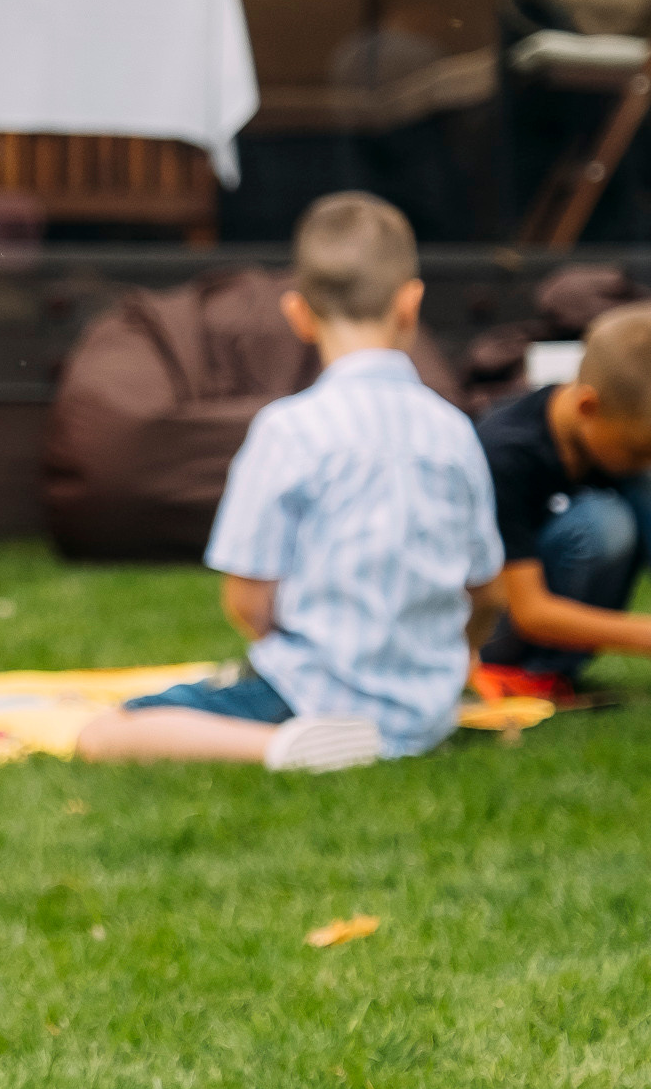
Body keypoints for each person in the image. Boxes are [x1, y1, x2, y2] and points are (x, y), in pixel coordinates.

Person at [77, 193, 503, 771]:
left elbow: (248, 603)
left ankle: (282, 747)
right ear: (411, 304)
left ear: (298, 313)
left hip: (314, 697)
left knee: (107, 732)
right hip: (426, 709)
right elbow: (484, 593)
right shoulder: (454, 430)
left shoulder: (289, 430)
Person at [472, 302, 651, 704]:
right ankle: (525, 672)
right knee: (601, 523)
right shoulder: (506, 452)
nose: (644, 463)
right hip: (495, 622)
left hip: (552, 608)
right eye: (639, 451)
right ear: (588, 407)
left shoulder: (611, 433)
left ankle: (554, 670)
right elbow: (529, 611)